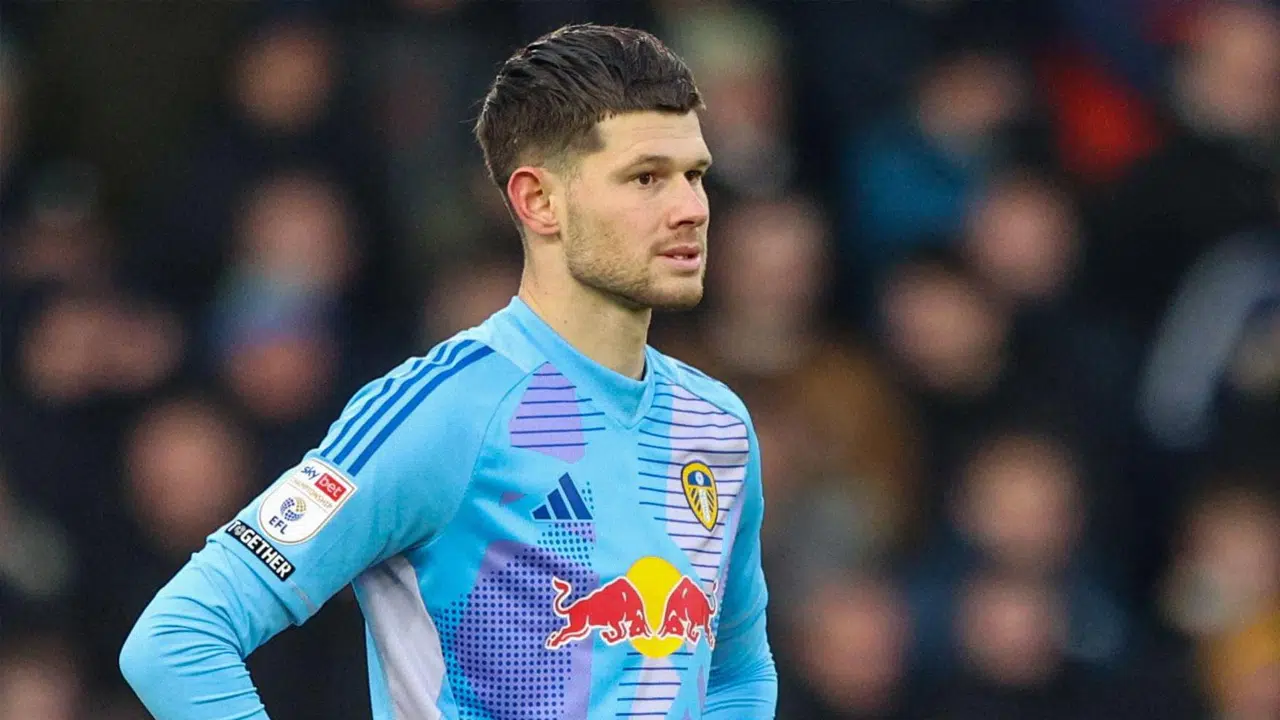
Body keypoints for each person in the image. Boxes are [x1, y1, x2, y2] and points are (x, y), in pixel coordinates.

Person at [119, 23, 777, 720]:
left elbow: (737, 672)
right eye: (646, 178)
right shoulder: (444, 411)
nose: (690, 209)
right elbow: (177, 639)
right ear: (538, 201)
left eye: (694, 175)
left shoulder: (717, 427)